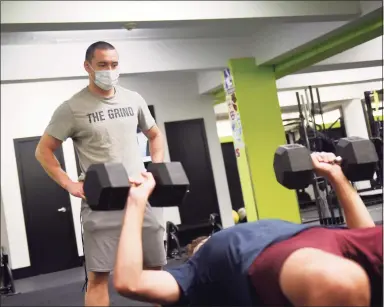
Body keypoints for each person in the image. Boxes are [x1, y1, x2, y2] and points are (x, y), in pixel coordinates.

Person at [113, 152, 383, 306]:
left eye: (203, 240)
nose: (204, 240)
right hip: (275, 259)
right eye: (199, 243)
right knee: (339, 282)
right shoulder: (194, 274)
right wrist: (136, 202)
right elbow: (130, 282)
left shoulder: (272, 230)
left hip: (319, 240)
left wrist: (336, 176)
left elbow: (364, 234)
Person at [35, 41, 167, 306]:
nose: (110, 70)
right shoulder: (72, 108)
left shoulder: (133, 99)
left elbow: (155, 135)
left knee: (155, 269)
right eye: (102, 65)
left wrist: (155, 169)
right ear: (88, 67)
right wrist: (69, 184)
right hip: (101, 202)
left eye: (114, 64)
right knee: (98, 277)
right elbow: (44, 151)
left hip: (138, 198)